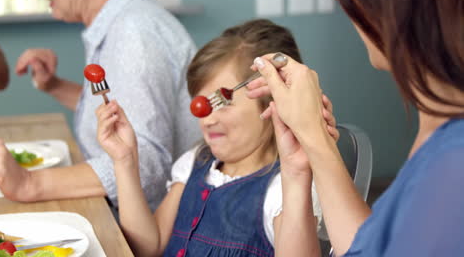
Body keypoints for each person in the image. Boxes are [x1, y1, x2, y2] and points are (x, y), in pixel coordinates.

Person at [95, 19, 338, 257]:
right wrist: (125, 160)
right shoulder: (195, 162)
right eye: (201, 105)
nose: (207, 120)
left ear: (273, 101)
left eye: (223, 102)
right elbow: (150, 246)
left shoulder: (283, 192)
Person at [248, 0, 464, 256]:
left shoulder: (452, 162)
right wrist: (311, 138)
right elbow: (369, 245)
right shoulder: (439, 131)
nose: (351, 20)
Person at [0, 0, 200, 211]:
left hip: (151, 226)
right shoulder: (122, 23)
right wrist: (54, 86)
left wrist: (30, 183)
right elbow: (123, 117)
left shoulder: (134, 32)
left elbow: (144, 163)